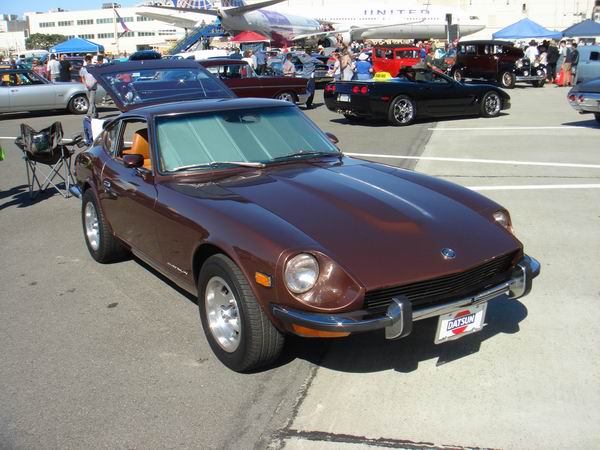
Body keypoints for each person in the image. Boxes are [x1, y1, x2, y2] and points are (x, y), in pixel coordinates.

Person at [79, 54, 98, 118]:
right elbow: (82, 77)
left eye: (89, 60)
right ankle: (95, 113)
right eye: (87, 60)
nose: (88, 62)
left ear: (91, 60)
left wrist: (94, 83)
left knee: (91, 101)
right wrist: (85, 84)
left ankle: (89, 114)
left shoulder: (94, 67)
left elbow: (96, 77)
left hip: (93, 86)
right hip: (87, 86)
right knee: (91, 101)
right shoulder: (83, 68)